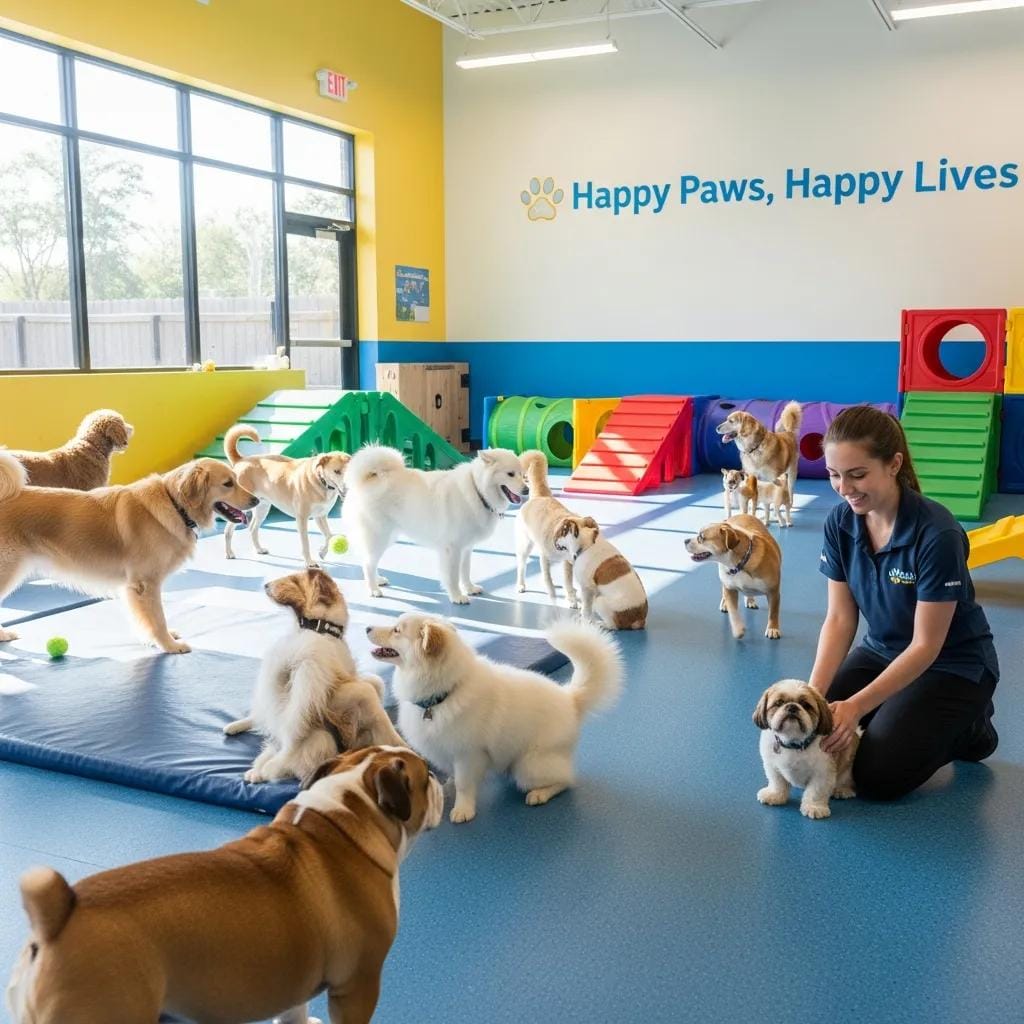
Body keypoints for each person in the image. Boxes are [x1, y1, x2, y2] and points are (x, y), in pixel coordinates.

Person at [807, 405, 999, 801]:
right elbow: (840, 619)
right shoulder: (840, 523)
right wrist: (812, 696)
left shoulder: (937, 533)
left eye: (857, 474)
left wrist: (857, 706)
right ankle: (896, 709)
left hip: (951, 664)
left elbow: (926, 645)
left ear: (893, 465)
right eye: (834, 474)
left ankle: (970, 728)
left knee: (877, 777)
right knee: (815, 728)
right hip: (881, 651)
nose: (844, 487)